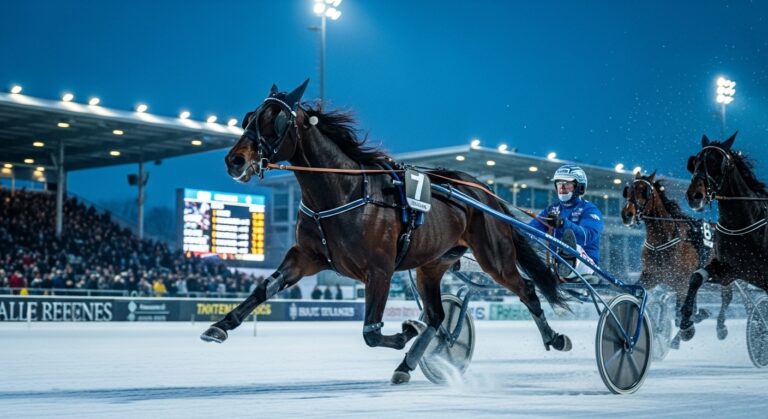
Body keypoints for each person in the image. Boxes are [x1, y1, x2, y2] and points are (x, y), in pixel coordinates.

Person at [528, 164, 604, 280]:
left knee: (573, 246)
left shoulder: (589, 209)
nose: (562, 188)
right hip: (555, 261)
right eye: (559, 184)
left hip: (586, 264)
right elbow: (530, 231)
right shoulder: (552, 210)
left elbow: (585, 237)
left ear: (580, 187)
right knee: (531, 248)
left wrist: (563, 224)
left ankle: (564, 266)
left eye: (567, 184)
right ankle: (559, 268)